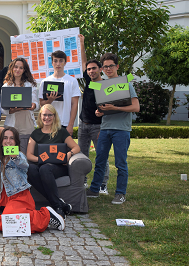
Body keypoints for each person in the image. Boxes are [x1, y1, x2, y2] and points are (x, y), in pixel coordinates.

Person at [0, 127, 66, 232]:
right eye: (5, 138)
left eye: (11, 138)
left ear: (16, 142)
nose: (8, 141)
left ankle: (46, 216)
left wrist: (14, 157)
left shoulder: (19, 156)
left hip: (20, 197)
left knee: (9, 217)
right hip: (2, 202)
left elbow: (25, 165)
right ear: (1, 141)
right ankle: (22, 219)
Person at [86, 53, 140, 204]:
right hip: (105, 128)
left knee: (120, 163)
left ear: (117, 66)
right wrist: (100, 112)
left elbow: (136, 107)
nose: (108, 69)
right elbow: (104, 108)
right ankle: (94, 189)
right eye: (105, 66)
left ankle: (120, 193)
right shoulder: (101, 85)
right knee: (100, 160)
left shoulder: (126, 83)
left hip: (121, 129)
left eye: (111, 66)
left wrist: (114, 107)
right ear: (102, 69)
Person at [27, 104, 80, 219]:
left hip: (58, 167)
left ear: (54, 116)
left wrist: (69, 154)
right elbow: (29, 155)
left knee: (45, 168)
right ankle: (59, 205)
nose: (47, 118)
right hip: (40, 166)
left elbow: (76, 147)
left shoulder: (61, 132)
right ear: (40, 116)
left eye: (50, 115)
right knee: (30, 168)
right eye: (44, 115)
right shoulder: (35, 134)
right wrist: (41, 159)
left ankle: (57, 207)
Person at [78, 34, 110, 193]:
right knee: (82, 155)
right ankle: (82, 181)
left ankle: (103, 185)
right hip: (83, 125)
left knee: (101, 156)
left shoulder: (106, 85)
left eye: (94, 68)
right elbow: (83, 62)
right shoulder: (89, 82)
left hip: (98, 127)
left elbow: (112, 106)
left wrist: (103, 111)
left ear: (100, 70)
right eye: (89, 69)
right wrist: (82, 43)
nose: (90, 71)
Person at [1, 58, 39, 154]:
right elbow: (2, 108)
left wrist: (33, 106)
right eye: (16, 67)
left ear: (24, 70)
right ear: (12, 68)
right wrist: (11, 110)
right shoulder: (6, 86)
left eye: (21, 68)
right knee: (10, 153)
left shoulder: (30, 85)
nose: (18, 70)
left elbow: (36, 104)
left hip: (26, 123)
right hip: (12, 123)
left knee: (25, 152)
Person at [39, 51, 81, 136]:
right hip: (48, 123)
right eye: (55, 61)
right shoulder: (45, 82)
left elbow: (74, 104)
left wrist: (70, 125)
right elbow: (41, 105)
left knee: (65, 149)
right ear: (52, 63)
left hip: (65, 123)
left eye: (61, 61)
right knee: (48, 149)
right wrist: (50, 100)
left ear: (65, 63)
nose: (58, 63)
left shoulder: (72, 81)